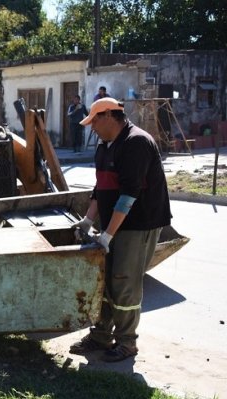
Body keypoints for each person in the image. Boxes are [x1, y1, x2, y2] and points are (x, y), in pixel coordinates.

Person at [69, 98, 171, 362]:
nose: (91, 128)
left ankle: (127, 343)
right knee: (104, 281)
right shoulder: (105, 146)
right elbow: (100, 188)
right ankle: (101, 336)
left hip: (139, 223)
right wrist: (89, 221)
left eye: (93, 122)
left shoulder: (136, 143)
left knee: (124, 282)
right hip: (115, 222)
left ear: (108, 116)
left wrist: (107, 236)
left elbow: (129, 196)